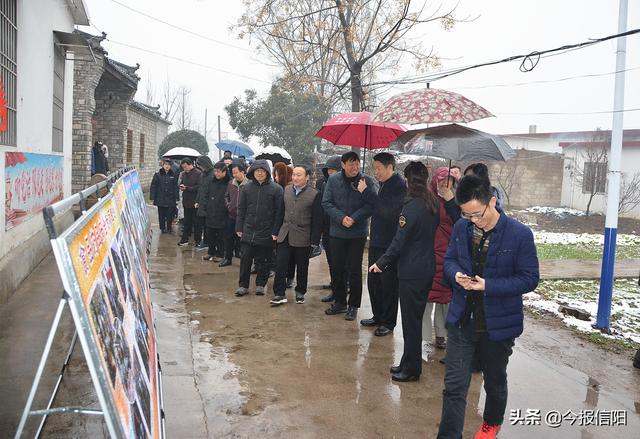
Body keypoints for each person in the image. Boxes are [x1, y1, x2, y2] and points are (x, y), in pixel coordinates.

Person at [437, 175, 540, 439]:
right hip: (462, 320)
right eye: (466, 215)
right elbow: (449, 261)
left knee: (494, 381)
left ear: (492, 201)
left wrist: (488, 285)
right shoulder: (462, 229)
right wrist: (457, 275)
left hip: (498, 325)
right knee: (454, 386)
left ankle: (491, 424)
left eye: (478, 214)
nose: (474, 221)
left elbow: (530, 278)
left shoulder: (519, 234)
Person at [369, 162, 439, 382]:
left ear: (408, 180)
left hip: (412, 270)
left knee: (411, 323)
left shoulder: (411, 207)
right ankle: (407, 362)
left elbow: (399, 241)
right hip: (426, 267)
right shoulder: (432, 202)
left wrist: (381, 262)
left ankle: (412, 369)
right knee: (413, 320)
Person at [322, 151, 377, 321]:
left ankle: (353, 305)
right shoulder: (333, 180)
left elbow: (371, 205)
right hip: (337, 231)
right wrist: (340, 217)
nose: (354, 167)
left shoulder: (366, 181)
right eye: (351, 163)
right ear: (343, 165)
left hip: (357, 233)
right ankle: (340, 302)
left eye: (357, 163)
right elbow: (326, 202)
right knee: (337, 268)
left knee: (354, 270)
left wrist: (354, 217)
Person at [359, 152, 406, 337]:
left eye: (379, 168)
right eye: (374, 168)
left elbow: (388, 211)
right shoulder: (384, 184)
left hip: (389, 243)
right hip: (377, 240)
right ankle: (377, 315)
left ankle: (388, 321)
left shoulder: (399, 186)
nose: (376, 172)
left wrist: (366, 193)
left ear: (390, 167)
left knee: (388, 284)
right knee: (374, 281)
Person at [270, 165, 323, 305]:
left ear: (307, 177)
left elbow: (317, 219)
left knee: (302, 266)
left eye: (299, 175)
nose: (295, 177)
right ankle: (279, 293)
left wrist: (315, 240)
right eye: (294, 174)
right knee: (281, 264)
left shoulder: (314, 194)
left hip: (303, 235)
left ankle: (300, 292)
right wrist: (275, 231)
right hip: (285, 232)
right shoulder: (286, 190)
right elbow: (280, 212)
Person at [424, 166, 462, 351]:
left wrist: (451, 203)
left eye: (449, 182)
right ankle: (423, 336)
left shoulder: (457, 202)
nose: (445, 185)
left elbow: (461, 224)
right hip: (429, 252)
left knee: (444, 298)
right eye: (441, 181)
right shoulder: (428, 199)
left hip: (448, 253)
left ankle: (441, 335)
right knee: (426, 297)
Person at [235, 160, 284, 296]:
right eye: (257, 171)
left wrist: (275, 231)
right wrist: (239, 227)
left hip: (267, 231)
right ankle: (243, 285)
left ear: (267, 173)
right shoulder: (247, 188)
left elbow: (279, 213)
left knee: (264, 260)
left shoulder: (276, 189)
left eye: (262, 171)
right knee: (245, 259)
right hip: (249, 229)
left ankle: (260, 284)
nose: (260, 173)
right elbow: (242, 209)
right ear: (253, 172)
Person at [317, 156, 342, 300]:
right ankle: (335, 283)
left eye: (334, 170)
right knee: (331, 259)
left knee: (340, 261)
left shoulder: (345, 185)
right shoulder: (325, 184)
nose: (331, 173)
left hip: (339, 227)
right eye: (329, 170)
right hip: (327, 227)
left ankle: (341, 287)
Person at [196, 158, 230, 262]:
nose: (216, 173)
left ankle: (220, 254)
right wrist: (205, 206)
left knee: (220, 236)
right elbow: (205, 194)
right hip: (211, 211)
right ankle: (211, 252)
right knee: (210, 234)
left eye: (219, 171)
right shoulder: (212, 182)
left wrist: (226, 208)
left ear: (224, 172)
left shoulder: (228, 183)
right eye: (215, 171)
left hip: (222, 213)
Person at [221, 162, 248, 267]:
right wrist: (228, 205)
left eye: (236, 173)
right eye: (233, 173)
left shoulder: (248, 184)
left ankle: (241, 257)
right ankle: (227, 258)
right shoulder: (231, 183)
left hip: (244, 218)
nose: (234, 175)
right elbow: (226, 196)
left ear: (242, 172)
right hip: (231, 216)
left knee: (242, 239)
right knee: (228, 238)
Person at [273, 162, 295, 287]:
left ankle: (290, 276)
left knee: (291, 256)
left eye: (277, 175)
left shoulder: (289, 189)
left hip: (291, 227)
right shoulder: (278, 188)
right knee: (281, 256)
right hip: (280, 227)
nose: (275, 178)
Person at [178, 158, 202, 246]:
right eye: (183, 167)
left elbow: (199, 187)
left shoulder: (198, 173)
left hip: (195, 202)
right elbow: (182, 182)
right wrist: (182, 186)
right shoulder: (183, 174)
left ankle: (198, 241)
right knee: (186, 221)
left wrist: (188, 188)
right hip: (186, 201)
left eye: (185, 167)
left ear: (190, 164)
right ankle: (184, 239)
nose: (184, 169)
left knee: (196, 223)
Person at [150, 159, 179, 233]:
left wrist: (177, 197)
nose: (167, 166)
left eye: (169, 165)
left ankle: (169, 228)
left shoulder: (173, 175)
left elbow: (175, 186)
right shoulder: (157, 174)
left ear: (170, 166)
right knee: (161, 214)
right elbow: (153, 186)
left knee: (170, 214)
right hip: (160, 197)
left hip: (170, 198)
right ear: (163, 165)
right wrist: (153, 197)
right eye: (165, 165)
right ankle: (162, 228)